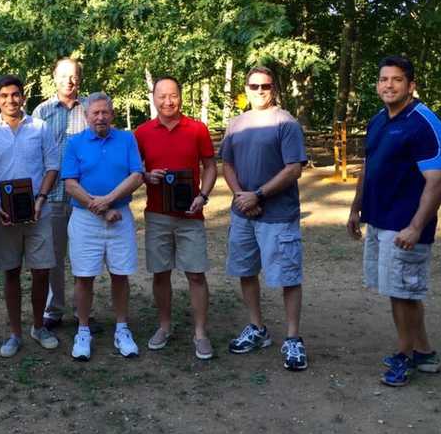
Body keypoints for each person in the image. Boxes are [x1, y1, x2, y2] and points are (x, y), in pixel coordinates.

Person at [347, 56, 441, 387]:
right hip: (379, 219)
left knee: (402, 293)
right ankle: (424, 353)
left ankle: (403, 358)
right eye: (383, 79)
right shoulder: (378, 120)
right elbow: (368, 166)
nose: (388, 85)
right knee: (402, 290)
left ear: (411, 85)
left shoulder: (424, 123)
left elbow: (436, 181)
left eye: (397, 80)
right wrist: (356, 208)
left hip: (404, 225)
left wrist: (416, 227)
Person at [219, 66, 308, 371]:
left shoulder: (286, 123)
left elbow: (293, 168)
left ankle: (293, 339)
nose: (259, 90)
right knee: (246, 271)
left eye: (265, 86)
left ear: (274, 89)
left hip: (278, 215)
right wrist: (241, 196)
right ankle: (257, 329)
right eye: (254, 85)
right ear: (245, 88)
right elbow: (227, 165)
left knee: (288, 276)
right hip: (244, 214)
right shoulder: (236, 124)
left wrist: (258, 195)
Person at [0, 75, 60, 358]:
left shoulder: (41, 127)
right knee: (10, 272)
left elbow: (52, 167)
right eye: (4, 96)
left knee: (41, 271)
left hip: (39, 213)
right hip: (4, 216)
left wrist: (41, 199)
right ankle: (15, 333)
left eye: (15, 94)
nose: (10, 100)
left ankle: (39, 327)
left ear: (23, 97)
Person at [134, 76, 217, 359]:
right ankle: (164, 326)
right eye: (162, 96)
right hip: (157, 214)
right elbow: (136, 171)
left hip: (191, 214)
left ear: (180, 97)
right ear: (153, 98)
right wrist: (147, 176)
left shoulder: (197, 129)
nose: (168, 101)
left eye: (173, 96)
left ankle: (201, 333)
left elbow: (210, 167)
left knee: (196, 273)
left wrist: (203, 196)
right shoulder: (142, 132)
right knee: (160, 273)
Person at [62, 92, 144, 361]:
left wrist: (109, 202)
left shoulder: (127, 139)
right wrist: (99, 208)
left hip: (119, 216)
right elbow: (70, 184)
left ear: (112, 114)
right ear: (86, 116)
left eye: (105, 112)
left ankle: (122, 329)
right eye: (95, 113)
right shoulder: (74, 143)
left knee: (121, 274)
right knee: (84, 276)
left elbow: (137, 175)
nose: (100, 117)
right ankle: (83, 330)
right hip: (85, 220)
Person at [32, 58, 91, 331]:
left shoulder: (91, 109)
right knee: (54, 257)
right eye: (64, 75)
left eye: (74, 75)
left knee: (84, 256)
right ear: (53, 78)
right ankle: (54, 310)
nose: (69, 81)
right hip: (53, 197)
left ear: (80, 78)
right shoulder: (41, 112)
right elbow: (33, 154)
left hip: (84, 198)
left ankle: (84, 311)